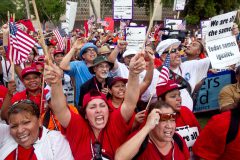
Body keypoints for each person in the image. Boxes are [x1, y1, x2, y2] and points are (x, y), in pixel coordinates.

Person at [44, 52, 146, 159]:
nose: (98, 110)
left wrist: (134, 74)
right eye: (92, 107)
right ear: (86, 115)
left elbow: (130, 103)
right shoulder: (78, 126)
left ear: (109, 110)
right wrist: (56, 83)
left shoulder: (114, 122)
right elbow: (60, 109)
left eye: (102, 106)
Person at [114, 101, 190, 160]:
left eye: (172, 119)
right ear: (152, 121)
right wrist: (147, 127)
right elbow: (119, 158)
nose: (169, 126)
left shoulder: (177, 139)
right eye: (163, 120)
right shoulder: (140, 140)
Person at [0, 99, 74, 159]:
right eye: (14, 126)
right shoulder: (6, 135)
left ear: (39, 121)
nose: (20, 130)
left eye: (26, 123)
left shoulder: (56, 141)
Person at [156, 39, 210, 111]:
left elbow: (214, 58)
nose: (178, 53)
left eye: (178, 49)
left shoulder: (189, 65)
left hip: (187, 117)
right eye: (173, 51)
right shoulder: (155, 74)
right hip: (168, 118)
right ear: (163, 57)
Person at [156, 79, 201, 157]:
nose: (179, 99)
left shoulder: (186, 111)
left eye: (179, 95)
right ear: (161, 100)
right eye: (173, 96)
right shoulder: (154, 118)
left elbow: (201, 137)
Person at [60, 39, 98, 106]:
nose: (92, 52)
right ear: (83, 56)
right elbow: (63, 65)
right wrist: (74, 48)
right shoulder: (77, 65)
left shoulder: (102, 65)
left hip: (99, 101)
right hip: (83, 103)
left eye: (93, 50)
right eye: (88, 51)